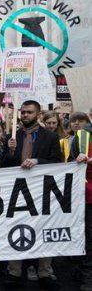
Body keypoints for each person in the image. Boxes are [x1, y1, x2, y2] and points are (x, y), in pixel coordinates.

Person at [4, 100, 62, 289]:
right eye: (23, 112)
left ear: (37, 114)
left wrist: (37, 161)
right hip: (17, 191)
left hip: (42, 190)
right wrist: (11, 151)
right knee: (16, 227)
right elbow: (6, 165)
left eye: (29, 112)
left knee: (44, 228)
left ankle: (45, 271)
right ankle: (14, 270)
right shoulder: (12, 136)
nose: (25, 115)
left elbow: (57, 163)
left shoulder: (50, 137)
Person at [69, 113, 92, 291]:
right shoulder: (82, 136)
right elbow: (70, 162)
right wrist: (76, 160)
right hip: (86, 196)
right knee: (88, 239)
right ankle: (87, 277)